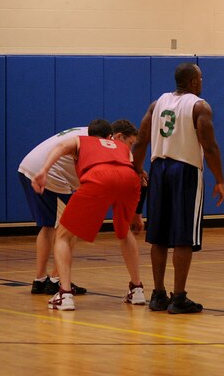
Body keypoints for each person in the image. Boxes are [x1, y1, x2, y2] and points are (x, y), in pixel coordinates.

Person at [131, 62, 224, 315]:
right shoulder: (199, 106)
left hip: (159, 169)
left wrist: (137, 169)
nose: (202, 82)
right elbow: (210, 146)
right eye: (201, 78)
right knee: (184, 236)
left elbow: (141, 140)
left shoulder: (157, 104)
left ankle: (158, 295)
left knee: (159, 236)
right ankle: (179, 297)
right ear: (194, 82)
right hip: (185, 171)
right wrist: (220, 179)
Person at [33, 118, 146, 311]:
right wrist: (137, 214)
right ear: (110, 135)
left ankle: (65, 294)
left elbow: (60, 146)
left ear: (89, 133)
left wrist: (44, 170)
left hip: (99, 177)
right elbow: (137, 173)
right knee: (123, 232)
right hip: (130, 180)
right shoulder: (120, 146)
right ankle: (137, 290)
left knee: (63, 236)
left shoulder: (80, 140)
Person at [18, 126, 90, 296]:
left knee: (48, 226)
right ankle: (57, 280)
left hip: (28, 167)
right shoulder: (96, 143)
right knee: (71, 228)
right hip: (49, 173)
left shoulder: (84, 130)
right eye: (129, 142)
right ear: (115, 135)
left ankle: (40, 280)